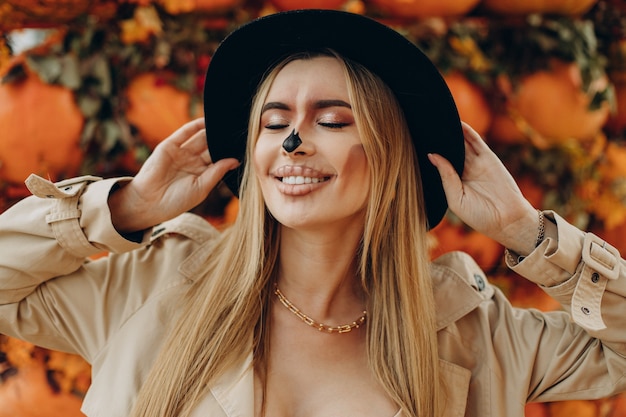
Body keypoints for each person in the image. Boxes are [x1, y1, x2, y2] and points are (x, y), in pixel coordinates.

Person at [0, 9, 625, 417]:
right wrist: (123, 207)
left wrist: (529, 235)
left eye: (331, 120)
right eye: (274, 123)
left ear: (393, 156)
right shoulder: (153, 283)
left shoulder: (471, 331)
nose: (293, 142)